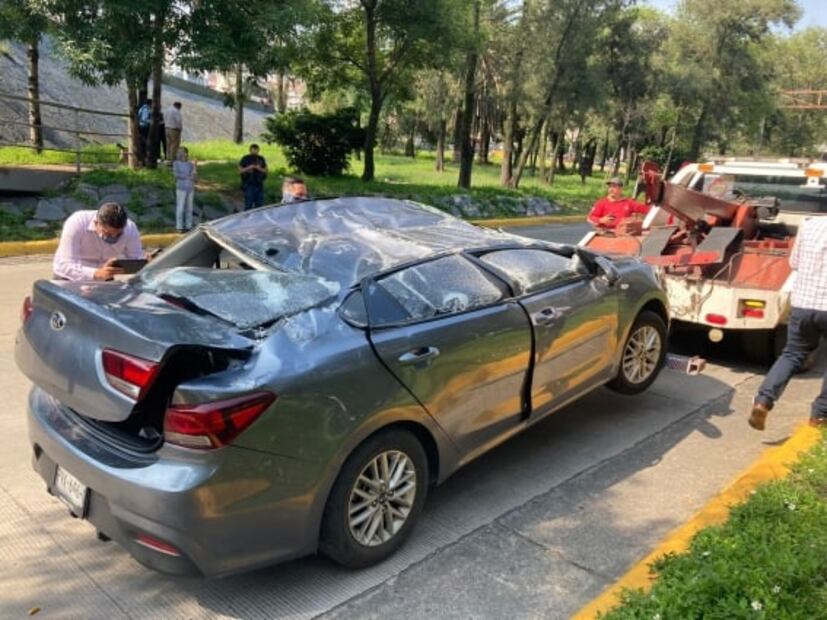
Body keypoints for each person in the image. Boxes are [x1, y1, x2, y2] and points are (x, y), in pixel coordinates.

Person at [749, 215, 827, 430]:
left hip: (804, 303)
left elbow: (794, 263)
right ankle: (819, 417)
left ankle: (763, 401)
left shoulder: (809, 224)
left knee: (792, 353)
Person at [53, 203, 144, 281]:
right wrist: (96, 273)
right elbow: (65, 265)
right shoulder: (77, 222)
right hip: (68, 278)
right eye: (107, 233)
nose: (113, 237)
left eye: (118, 234)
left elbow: (136, 259)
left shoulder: (130, 228)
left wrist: (146, 263)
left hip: (105, 277)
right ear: (96, 223)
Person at [173, 146, 197, 232]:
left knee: (189, 208)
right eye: (178, 152)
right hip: (181, 188)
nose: (179, 153)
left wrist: (195, 166)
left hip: (190, 188)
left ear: (186, 153)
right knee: (180, 207)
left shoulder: (190, 164)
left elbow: (194, 177)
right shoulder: (176, 163)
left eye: (181, 152)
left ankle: (188, 225)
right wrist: (188, 176)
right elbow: (176, 175)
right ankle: (179, 226)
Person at [238, 144, 268, 210]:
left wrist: (259, 168)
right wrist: (249, 167)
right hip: (248, 184)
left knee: (259, 205)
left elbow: (265, 171)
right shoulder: (245, 158)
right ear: (250, 150)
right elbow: (240, 171)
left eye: (256, 150)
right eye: (253, 150)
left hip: (259, 184)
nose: (255, 152)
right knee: (248, 204)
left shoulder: (261, 159)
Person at [137, 99, 152, 166]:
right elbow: (144, 119)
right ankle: (144, 159)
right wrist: (152, 122)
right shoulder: (146, 109)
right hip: (144, 127)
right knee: (145, 143)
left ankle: (143, 159)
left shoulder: (142, 108)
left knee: (143, 143)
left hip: (142, 127)